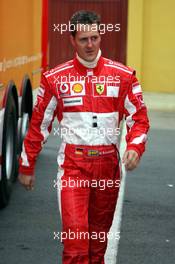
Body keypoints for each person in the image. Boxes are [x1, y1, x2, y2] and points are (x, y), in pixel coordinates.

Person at [18, 10, 150, 264]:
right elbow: (38, 125)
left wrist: (134, 146)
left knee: (97, 249)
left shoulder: (123, 76)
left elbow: (140, 119)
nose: (90, 44)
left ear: (101, 37)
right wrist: (26, 164)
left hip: (108, 168)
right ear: (72, 40)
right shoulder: (55, 78)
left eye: (95, 38)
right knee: (76, 248)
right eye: (83, 39)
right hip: (73, 168)